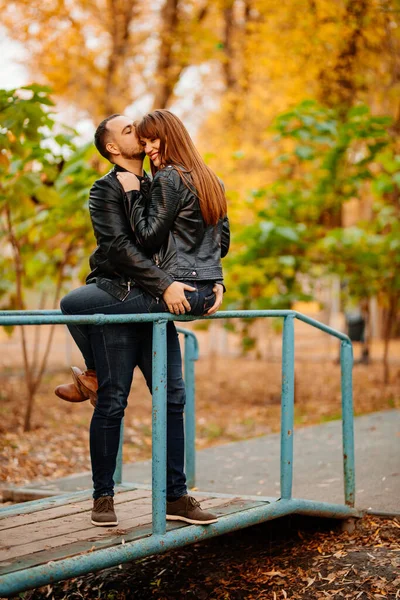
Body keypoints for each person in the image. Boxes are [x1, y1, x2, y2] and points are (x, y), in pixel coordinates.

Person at [56, 114, 229, 528]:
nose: (141, 135)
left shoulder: (163, 180)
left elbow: (197, 239)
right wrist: (166, 284)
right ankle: (103, 497)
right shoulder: (105, 189)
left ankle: (175, 496)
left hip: (155, 305)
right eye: (130, 130)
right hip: (119, 296)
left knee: (172, 399)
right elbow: (118, 248)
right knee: (114, 401)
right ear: (113, 147)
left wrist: (213, 281)